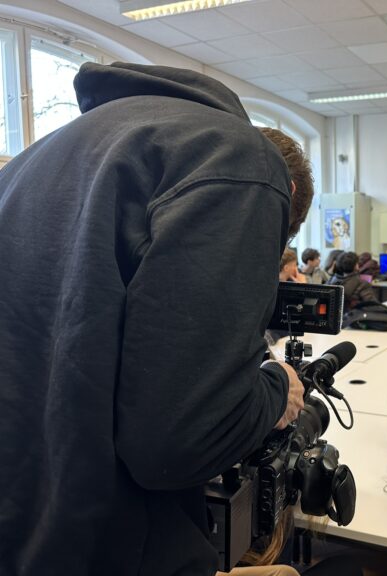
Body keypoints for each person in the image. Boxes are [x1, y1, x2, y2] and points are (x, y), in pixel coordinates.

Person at [0, 62, 310, 576]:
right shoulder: (239, 160)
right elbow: (176, 444)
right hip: (105, 547)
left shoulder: (37, 158)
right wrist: (278, 390)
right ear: (288, 194)